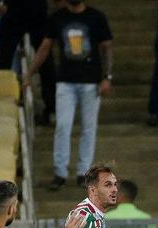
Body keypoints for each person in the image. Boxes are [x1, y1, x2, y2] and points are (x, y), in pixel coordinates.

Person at [25, 0, 113, 191]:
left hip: (91, 80)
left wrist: (107, 77)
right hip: (65, 80)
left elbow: (107, 47)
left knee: (89, 128)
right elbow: (45, 47)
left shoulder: (96, 17)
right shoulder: (58, 18)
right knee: (63, 125)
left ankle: (84, 172)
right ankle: (60, 172)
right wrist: (30, 72)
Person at [0, 0, 56, 124]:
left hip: (38, 16)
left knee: (46, 64)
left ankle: (51, 109)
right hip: (13, 14)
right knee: (3, 63)